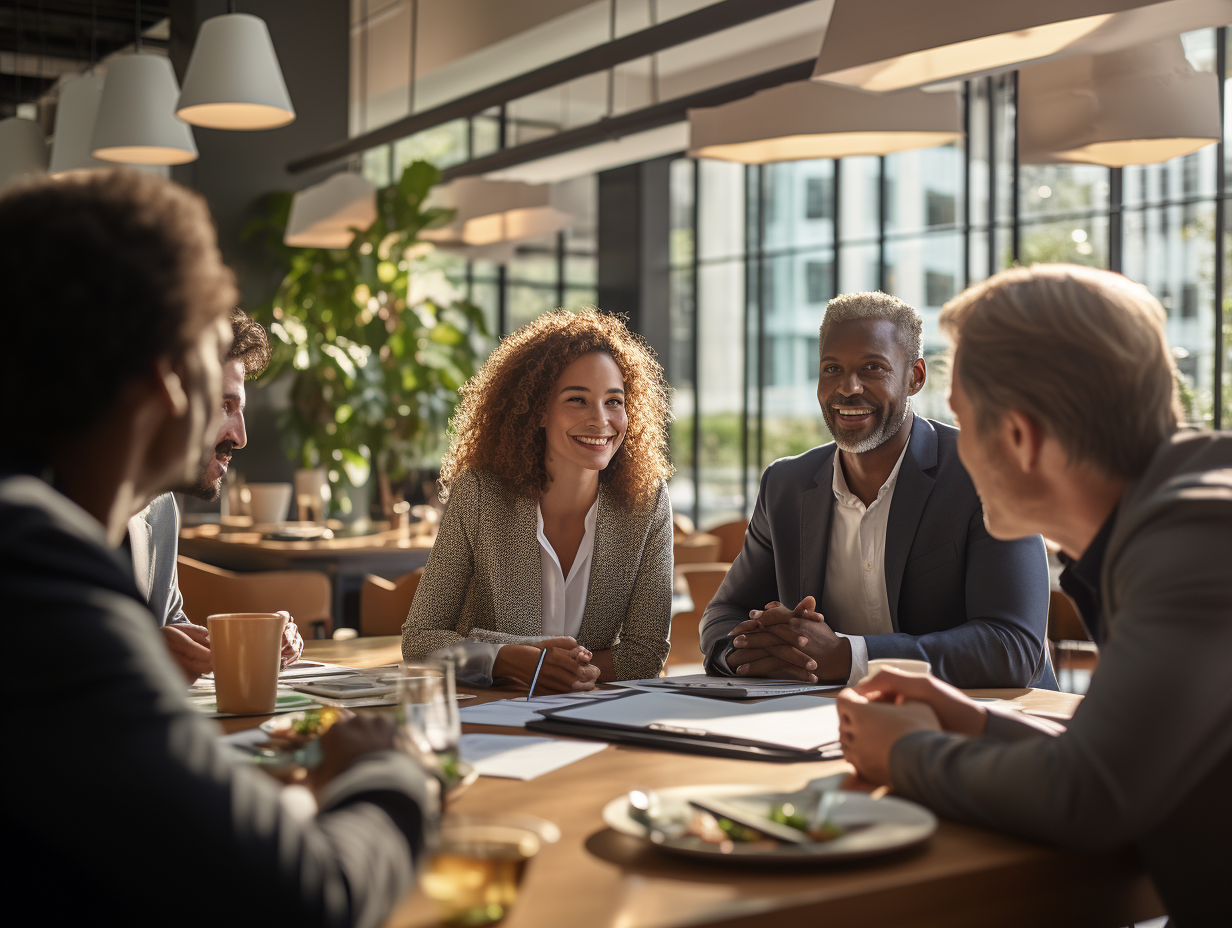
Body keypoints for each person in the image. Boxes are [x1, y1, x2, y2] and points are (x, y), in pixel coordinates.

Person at [1, 170, 434, 927]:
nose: (234, 425)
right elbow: (304, 900)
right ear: (167, 377)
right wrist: (390, 774)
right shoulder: (30, 565)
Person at [835, 265, 1231, 927]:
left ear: (1019, 437)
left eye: (962, 422)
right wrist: (975, 720)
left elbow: (1091, 796)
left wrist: (900, 753)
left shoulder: (1197, 544)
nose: (957, 456)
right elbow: (1123, 756)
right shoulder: (1184, 512)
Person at [701, 291, 1053, 688]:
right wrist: (749, 654)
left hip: (989, 725)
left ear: (915, 377)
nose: (848, 388)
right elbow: (724, 613)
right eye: (832, 369)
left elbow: (1013, 647)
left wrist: (849, 657)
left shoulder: (985, 472)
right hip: (825, 721)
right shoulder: (786, 485)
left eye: (872, 367)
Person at [402, 308, 674, 691]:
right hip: (489, 717)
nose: (601, 420)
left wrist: (566, 670)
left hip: (594, 721)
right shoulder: (480, 494)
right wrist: (508, 661)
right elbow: (420, 640)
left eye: (614, 401)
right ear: (539, 410)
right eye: (577, 400)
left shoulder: (647, 503)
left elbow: (645, 655)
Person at [130, 310, 304, 682]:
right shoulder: (49, 507)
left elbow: (169, 627)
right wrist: (142, 654)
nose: (240, 437)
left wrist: (252, 638)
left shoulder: (161, 507)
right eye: (225, 406)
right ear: (168, 396)